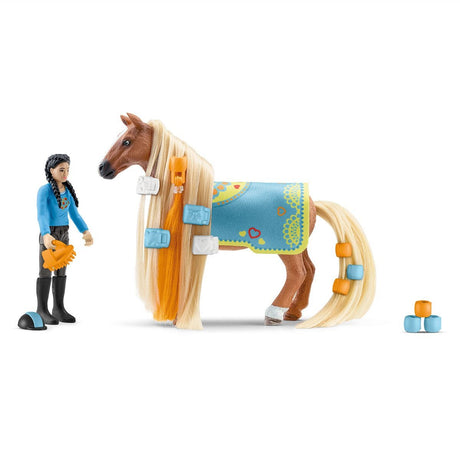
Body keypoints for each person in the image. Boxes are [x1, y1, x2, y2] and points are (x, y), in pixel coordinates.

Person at [36, 154, 93, 324]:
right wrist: (45, 233)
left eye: (67, 169)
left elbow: (74, 214)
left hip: (64, 234)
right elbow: (42, 214)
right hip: (50, 235)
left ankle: (58, 308)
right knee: (46, 269)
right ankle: (42, 310)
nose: (65, 173)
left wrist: (85, 230)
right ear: (51, 170)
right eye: (61, 170)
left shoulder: (67, 191)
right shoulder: (44, 191)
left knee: (61, 269)